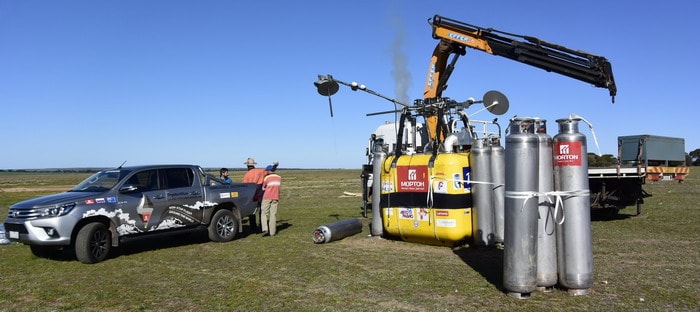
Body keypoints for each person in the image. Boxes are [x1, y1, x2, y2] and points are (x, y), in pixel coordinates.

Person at [242, 158, 278, 233]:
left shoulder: (246, 175)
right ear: (254, 165)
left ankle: (253, 228)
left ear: (247, 166)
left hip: (251, 192)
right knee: (262, 210)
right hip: (261, 191)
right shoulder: (261, 171)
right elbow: (270, 170)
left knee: (252, 212)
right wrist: (275, 165)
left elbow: (244, 186)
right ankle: (262, 226)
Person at [260, 165, 281, 236]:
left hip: (267, 197)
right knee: (273, 215)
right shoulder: (279, 177)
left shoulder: (267, 178)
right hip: (276, 197)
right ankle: (272, 232)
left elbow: (263, 188)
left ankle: (265, 228)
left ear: (269, 171)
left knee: (264, 213)